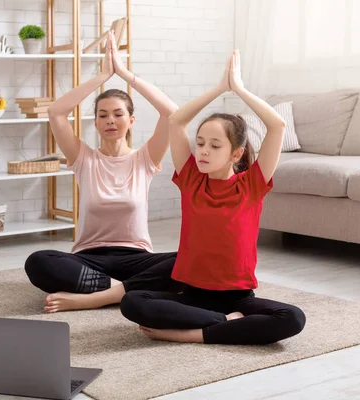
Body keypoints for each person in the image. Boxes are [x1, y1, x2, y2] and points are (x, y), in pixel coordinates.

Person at [119, 49, 306, 345]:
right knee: (133, 303)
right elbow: (177, 121)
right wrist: (219, 88)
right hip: (192, 295)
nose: (203, 150)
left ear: (236, 153)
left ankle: (195, 333)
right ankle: (224, 325)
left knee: (293, 318)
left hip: (238, 300)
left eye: (214, 145)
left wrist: (240, 90)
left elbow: (277, 126)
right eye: (201, 143)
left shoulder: (252, 185)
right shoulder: (192, 179)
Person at [25, 32, 184, 313]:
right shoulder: (83, 158)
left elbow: (171, 112)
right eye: (102, 115)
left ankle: (95, 296)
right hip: (89, 258)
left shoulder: (144, 159)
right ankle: (125, 290)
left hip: (136, 257)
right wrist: (102, 76)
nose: (111, 119)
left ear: (131, 120)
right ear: (96, 123)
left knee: (190, 260)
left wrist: (124, 74)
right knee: (38, 261)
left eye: (118, 113)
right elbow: (56, 112)